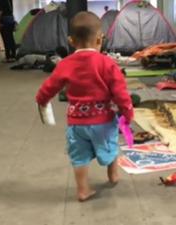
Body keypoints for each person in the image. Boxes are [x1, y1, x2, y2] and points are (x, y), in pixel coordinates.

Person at [35, 12, 134, 202]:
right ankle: (112, 174)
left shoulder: (65, 64)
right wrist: (128, 113)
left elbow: (49, 87)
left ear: (71, 41)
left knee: (78, 156)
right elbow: (120, 92)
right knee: (110, 146)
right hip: (103, 121)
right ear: (100, 39)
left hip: (77, 123)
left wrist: (42, 100)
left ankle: (82, 190)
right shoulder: (107, 63)